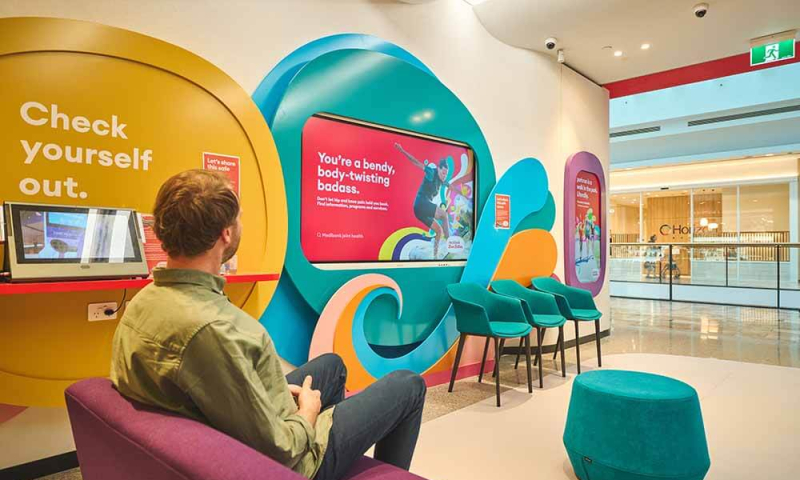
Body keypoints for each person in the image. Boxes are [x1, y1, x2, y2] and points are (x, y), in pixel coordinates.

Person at [110, 169, 427, 480]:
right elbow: (281, 448)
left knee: (332, 365)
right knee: (409, 385)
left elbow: (206, 384)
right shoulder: (216, 329)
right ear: (226, 233)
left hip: (220, 426)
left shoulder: (144, 300)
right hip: (285, 460)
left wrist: (264, 389)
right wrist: (308, 413)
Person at [394, 142, 450, 259]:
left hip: (419, 211)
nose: (444, 175)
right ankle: (450, 244)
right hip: (421, 204)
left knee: (438, 230)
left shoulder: (441, 181)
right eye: (443, 172)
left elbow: (451, 187)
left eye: (446, 174)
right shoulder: (431, 172)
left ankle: (435, 256)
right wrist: (402, 150)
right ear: (438, 169)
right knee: (444, 215)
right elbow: (416, 162)